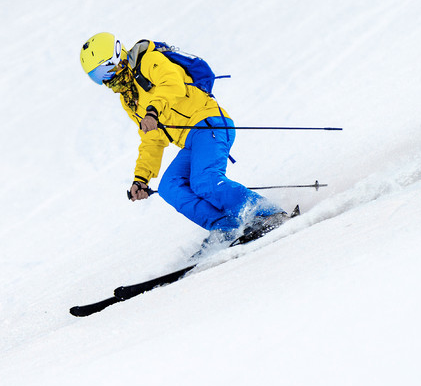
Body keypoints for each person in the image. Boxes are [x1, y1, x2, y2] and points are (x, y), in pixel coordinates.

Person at [80, 32, 288, 240]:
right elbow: (152, 138)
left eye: (103, 71)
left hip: (209, 123)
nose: (105, 79)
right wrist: (141, 178)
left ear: (116, 57)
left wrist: (153, 110)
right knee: (169, 187)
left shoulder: (149, 60)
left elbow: (173, 84)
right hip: (190, 141)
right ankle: (226, 228)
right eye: (96, 77)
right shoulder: (129, 98)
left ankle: (267, 213)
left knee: (204, 180)